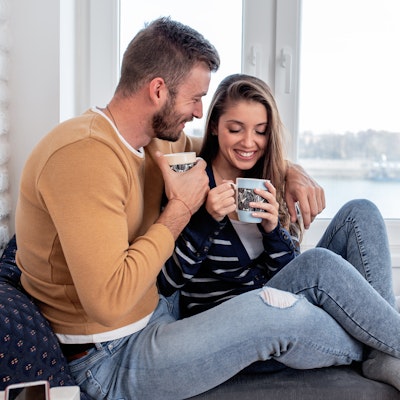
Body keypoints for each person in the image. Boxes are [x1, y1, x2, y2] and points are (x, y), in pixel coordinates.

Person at [14, 17, 374, 400]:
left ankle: (379, 341)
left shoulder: (154, 141)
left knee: (333, 247)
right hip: (109, 355)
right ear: (158, 90)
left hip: (156, 311)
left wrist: (290, 170)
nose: (200, 111)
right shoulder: (84, 157)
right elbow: (108, 304)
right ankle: (373, 347)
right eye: (195, 97)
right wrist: (180, 213)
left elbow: (230, 142)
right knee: (272, 311)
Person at [158, 73, 400, 388]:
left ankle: (382, 347)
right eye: (236, 129)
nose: (249, 143)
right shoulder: (190, 181)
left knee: (361, 211)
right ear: (215, 125)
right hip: (239, 331)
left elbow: (289, 280)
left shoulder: (266, 180)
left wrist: (273, 230)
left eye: (261, 131)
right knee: (319, 264)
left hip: (284, 312)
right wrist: (205, 220)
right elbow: (168, 282)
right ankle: (382, 344)